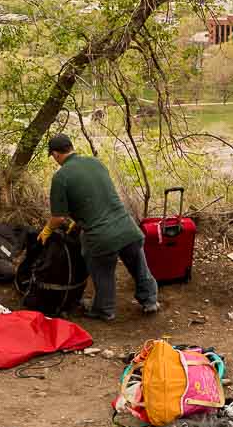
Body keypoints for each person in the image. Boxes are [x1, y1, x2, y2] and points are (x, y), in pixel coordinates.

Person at [43, 134, 160, 321]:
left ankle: (104, 310)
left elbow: (58, 217)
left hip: (101, 237)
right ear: (71, 147)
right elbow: (97, 195)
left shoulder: (61, 177)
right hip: (127, 227)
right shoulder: (96, 163)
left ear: (56, 154)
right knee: (139, 266)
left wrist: (47, 230)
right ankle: (150, 301)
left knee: (102, 272)